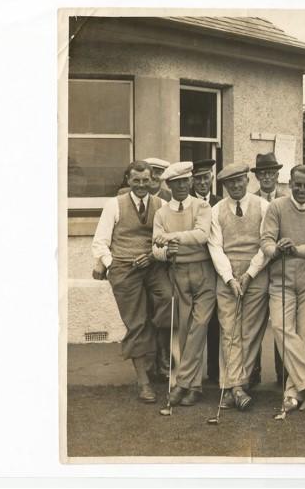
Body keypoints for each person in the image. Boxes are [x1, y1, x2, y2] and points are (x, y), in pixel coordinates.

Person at [91, 160, 172, 403]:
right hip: (124, 268)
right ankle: (144, 384)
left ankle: (157, 353)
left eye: (145, 180)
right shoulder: (113, 205)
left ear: (152, 181)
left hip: (153, 266)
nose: (141, 185)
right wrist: (110, 262)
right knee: (136, 323)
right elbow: (100, 242)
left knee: (169, 301)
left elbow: (167, 240)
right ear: (128, 180)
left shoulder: (162, 205)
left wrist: (153, 255)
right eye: (136, 180)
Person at [260, 164, 305, 412]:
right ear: (289, 183)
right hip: (282, 278)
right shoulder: (277, 207)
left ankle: (293, 392)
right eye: (297, 184)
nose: (301, 190)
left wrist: (295, 249)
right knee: (280, 328)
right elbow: (266, 240)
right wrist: (277, 249)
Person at [152, 161, 215, 407]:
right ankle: (194, 386)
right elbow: (155, 248)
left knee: (199, 327)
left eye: (184, 182)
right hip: (178, 272)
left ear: (190, 182)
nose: (180, 186)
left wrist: (171, 237)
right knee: (185, 329)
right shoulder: (162, 213)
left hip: (204, 271)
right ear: (168, 184)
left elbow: (202, 235)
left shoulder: (202, 206)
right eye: (175, 183)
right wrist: (166, 253)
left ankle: (182, 383)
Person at [208, 163, 271, 410]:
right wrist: (230, 278)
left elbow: (266, 244)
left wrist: (250, 273)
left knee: (250, 332)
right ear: (224, 186)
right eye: (229, 183)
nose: (235, 186)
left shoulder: (263, 206)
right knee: (229, 330)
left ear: (247, 180)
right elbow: (215, 246)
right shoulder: (216, 210)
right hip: (226, 274)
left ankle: (232, 386)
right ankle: (236, 387)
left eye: (239, 180)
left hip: (257, 272)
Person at [251, 152, 288, 386]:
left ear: (277, 175)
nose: (267, 177)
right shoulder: (250, 201)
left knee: (280, 322)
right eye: (262, 173)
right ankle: (253, 371)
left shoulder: (286, 201)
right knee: (254, 321)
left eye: (271, 173)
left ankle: (282, 373)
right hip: (256, 269)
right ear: (257, 177)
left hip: (279, 269)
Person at [191, 158, 223, 385]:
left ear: (212, 178)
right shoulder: (189, 204)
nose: (203, 182)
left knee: (216, 321)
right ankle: (192, 373)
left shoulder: (220, 203)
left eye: (206, 177)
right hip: (195, 266)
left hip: (217, 267)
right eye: (198, 178)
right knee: (195, 321)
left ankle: (214, 370)